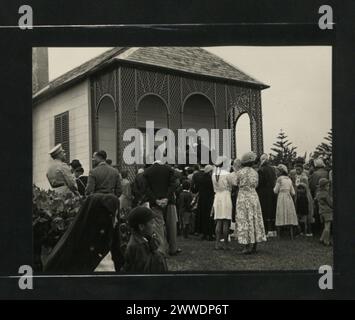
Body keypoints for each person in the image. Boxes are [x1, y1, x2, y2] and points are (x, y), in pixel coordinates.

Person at [232, 152, 266, 254]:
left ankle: (246, 246)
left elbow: (235, 183)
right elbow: (257, 184)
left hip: (243, 196)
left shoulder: (240, 172)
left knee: (244, 219)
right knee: (254, 218)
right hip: (253, 196)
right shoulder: (255, 172)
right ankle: (255, 245)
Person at [143, 160, 177, 256]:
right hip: (170, 201)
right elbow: (173, 185)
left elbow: (146, 189)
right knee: (172, 225)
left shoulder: (147, 172)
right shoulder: (169, 169)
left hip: (155, 203)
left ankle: (161, 250)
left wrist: (156, 200)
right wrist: (166, 198)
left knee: (159, 226)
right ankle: (173, 248)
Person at [123, 207, 168, 272]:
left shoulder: (143, 238)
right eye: (151, 223)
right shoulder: (138, 247)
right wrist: (160, 252)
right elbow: (146, 271)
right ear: (141, 227)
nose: (154, 225)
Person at [212, 156, 233, 250]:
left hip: (217, 196)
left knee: (218, 221)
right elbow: (231, 186)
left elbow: (214, 189)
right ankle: (225, 244)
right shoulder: (227, 174)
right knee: (225, 221)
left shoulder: (214, 174)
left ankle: (216, 243)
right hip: (226, 196)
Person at [274, 164, 298, 239]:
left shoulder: (279, 179)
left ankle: (279, 234)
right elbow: (293, 192)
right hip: (288, 197)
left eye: (277, 171)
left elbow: (275, 191)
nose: (276, 172)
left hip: (281, 197)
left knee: (280, 212)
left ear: (281, 171)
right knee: (289, 212)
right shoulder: (289, 179)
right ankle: (290, 234)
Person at [256, 154, 277, 237]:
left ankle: (267, 230)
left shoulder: (261, 170)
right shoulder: (272, 169)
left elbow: (260, 182)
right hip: (271, 191)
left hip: (263, 192)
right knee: (272, 210)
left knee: (265, 211)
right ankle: (273, 230)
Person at [309, 158, 329, 235]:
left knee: (318, 211)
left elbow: (312, 186)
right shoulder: (326, 172)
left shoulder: (315, 174)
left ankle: (318, 229)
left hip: (318, 193)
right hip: (326, 192)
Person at [315, 178, 333, 246]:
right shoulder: (326, 194)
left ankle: (321, 239)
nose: (328, 187)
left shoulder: (318, 193)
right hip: (327, 211)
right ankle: (326, 241)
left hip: (321, 211)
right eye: (327, 186)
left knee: (325, 226)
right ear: (324, 186)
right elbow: (330, 203)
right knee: (327, 227)